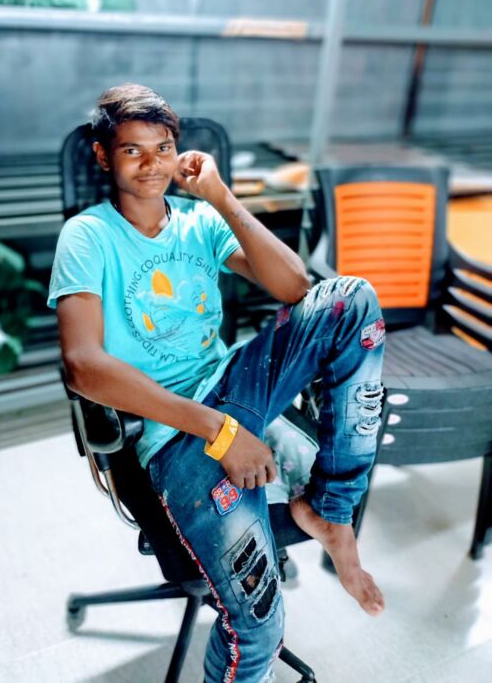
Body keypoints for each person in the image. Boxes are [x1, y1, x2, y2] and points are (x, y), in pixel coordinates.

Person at [49, 83, 385, 683]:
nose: (151, 164)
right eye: (132, 151)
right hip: (173, 432)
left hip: (232, 384)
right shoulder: (87, 236)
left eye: (163, 148)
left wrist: (222, 197)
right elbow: (83, 365)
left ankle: (330, 514)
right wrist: (222, 433)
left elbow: (294, 287)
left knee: (350, 300)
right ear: (103, 157)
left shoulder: (200, 220)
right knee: (258, 624)